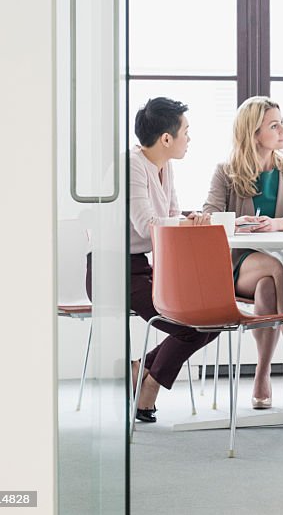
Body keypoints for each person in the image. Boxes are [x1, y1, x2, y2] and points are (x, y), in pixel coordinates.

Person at [88, 96, 218, 423]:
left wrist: (190, 219)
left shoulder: (164, 166)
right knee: (190, 326)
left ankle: (143, 368)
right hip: (112, 271)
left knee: (211, 317)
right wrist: (182, 223)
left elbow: (171, 217)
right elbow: (147, 224)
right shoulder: (130, 165)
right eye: (185, 132)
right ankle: (149, 389)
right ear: (165, 138)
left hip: (144, 267)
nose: (189, 138)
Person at [203, 96, 283, 409]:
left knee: (271, 285)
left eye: (281, 122)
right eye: (274, 125)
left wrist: (277, 224)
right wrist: (237, 223)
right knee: (279, 268)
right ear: (254, 134)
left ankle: (262, 373)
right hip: (242, 266)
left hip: (282, 269)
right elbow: (209, 216)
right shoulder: (225, 172)